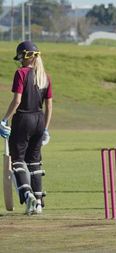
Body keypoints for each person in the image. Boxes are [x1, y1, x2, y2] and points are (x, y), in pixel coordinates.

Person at [0, 41, 53, 215]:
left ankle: (27, 194)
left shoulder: (21, 73)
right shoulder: (45, 76)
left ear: (26, 56)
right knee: (34, 162)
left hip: (23, 118)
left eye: (21, 57)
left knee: (18, 160)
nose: (20, 60)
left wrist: (4, 119)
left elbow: (17, 101)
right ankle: (38, 202)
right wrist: (45, 128)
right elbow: (49, 107)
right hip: (39, 119)